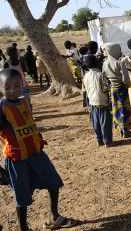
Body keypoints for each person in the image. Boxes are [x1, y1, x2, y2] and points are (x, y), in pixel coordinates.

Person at [0, 68, 77, 230]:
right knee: (22, 197)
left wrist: (38, 136)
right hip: (17, 159)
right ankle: (23, 228)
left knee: (54, 182)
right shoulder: (2, 108)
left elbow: (29, 124)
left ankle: (53, 217)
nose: (13, 90)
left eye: (17, 85)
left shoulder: (25, 102)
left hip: (36, 153)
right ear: (0, 89)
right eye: (7, 87)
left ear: (23, 84)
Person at [103, 43, 131, 138]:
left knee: (116, 108)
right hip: (122, 87)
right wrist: (128, 85)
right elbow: (126, 79)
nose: (120, 52)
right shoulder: (120, 63)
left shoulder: (105, 63)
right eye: (119, 50)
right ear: (114, 51)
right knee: (124, 108)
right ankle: (126, 130)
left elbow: (104, 77)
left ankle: (120, 129)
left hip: (112, 89)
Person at [82, 55, 113, 147]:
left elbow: (84, 90)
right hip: (102, 101)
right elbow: (106, 88)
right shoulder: (100, 75)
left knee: (96, 121)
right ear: (97, 64)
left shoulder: (85, 76)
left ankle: (99, 140)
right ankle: (107, 141)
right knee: (105, 122)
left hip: (92, 101)